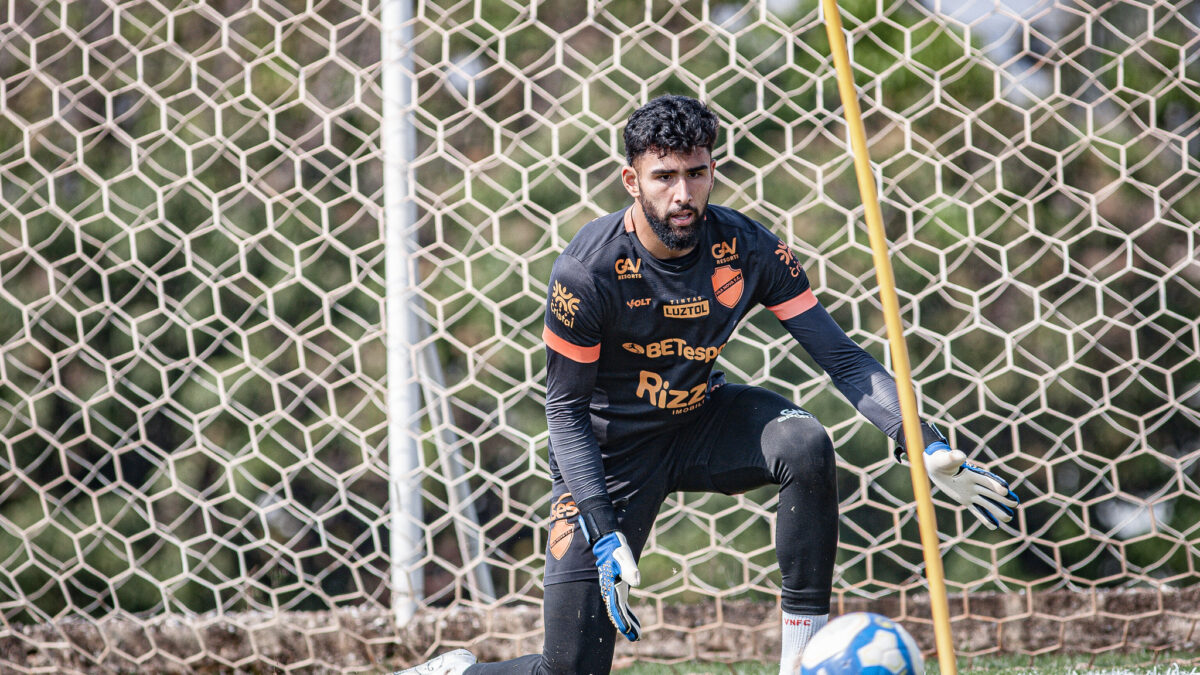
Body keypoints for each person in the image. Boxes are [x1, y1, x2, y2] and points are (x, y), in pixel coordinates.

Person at [398, 95, 1019, 675]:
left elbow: (845, 359)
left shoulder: (746, 248)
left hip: (699, 419)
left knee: (804, 444)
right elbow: (563, 409)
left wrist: (924, 441)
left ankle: (801, 661)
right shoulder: (586, 271)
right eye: (665, 176)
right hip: (609, 455)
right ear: (632, 180)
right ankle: (465, 672)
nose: (683, 194)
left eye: (696, 174)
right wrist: (599, 519)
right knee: (568, 669)